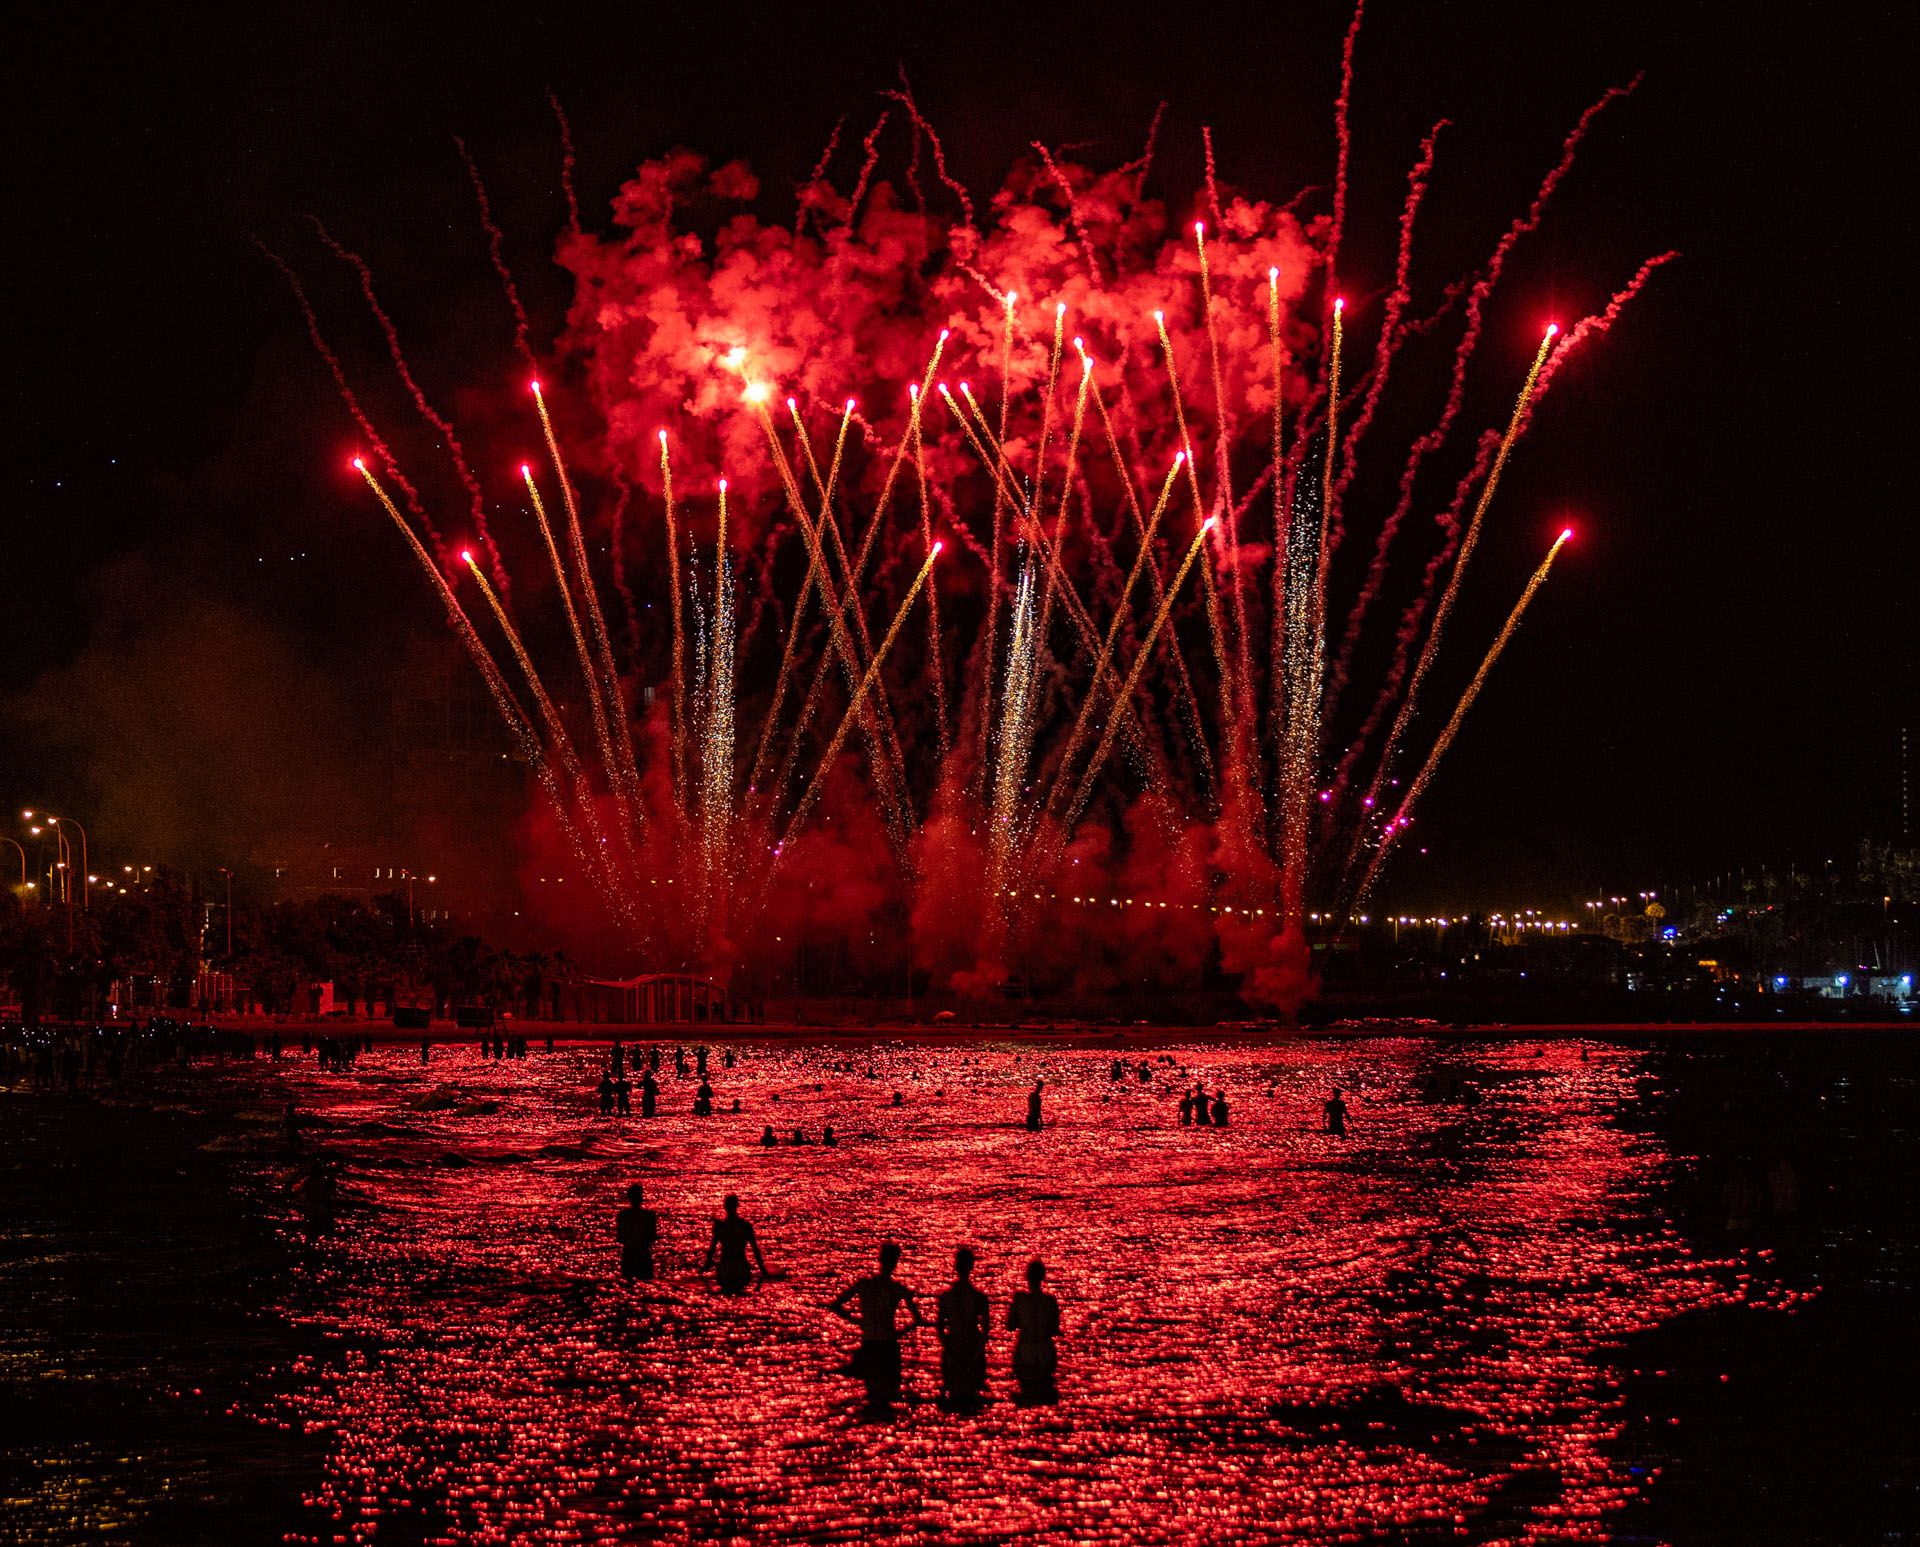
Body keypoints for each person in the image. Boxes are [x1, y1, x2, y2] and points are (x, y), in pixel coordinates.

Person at [830, 1241, 924, 1411]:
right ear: (895, 1262)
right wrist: (900, 1333)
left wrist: (858, 1321)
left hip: (870, 1342)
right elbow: (917, 1319)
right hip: (888, 1342)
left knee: (872, 1390)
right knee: (889, 1390)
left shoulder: (865, 1285)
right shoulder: (897, 1289)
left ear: (880, 1260)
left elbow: (835, 1306)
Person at [936, 1246, 991, 1410]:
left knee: (953, 1393)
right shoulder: (979, 1297)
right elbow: (985, 1331)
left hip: (953, 1347)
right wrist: (977, 1353)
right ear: (972, 1267)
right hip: (971, 1346)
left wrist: (948, 1351)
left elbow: (939, 1328)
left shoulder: (946, 1297)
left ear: (956, 1266)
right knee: (972, 1397)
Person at [1005, 1258, 1060, 1405]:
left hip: (1025, 1353)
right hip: (1045, 1353)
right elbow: (1055, 1330)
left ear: (1027, 1277)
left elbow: (1010, 1326)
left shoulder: (1020, 1299)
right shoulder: (1050, 1301)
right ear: (1043, 1277)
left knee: (1025, 1390)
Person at [703, 1194, 768, 1294]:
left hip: (725, 1268)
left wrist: (704, 1268)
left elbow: (712, 1251)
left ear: (725, 1207)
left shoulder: (720, 1227)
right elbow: (755, 1250)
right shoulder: (746, 1226)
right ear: (737, 1206)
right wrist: (764, 1272)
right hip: (741, 1268)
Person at [615, 1183, 657, 1280]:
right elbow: (652, 1237)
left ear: (629, 1197)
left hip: (628, 1255)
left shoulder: (623, 1216)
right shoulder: (649, 1216)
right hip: (644, 1255)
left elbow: (620, 1238)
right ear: (641, 1197)